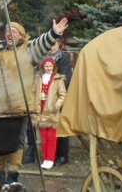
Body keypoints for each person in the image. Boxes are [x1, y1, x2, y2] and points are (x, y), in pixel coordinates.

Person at [0, 18, 68, 191]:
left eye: (14, 31)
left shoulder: (28, 50)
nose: (9, 34)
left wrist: (54, 33)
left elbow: (42, 42)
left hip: (20, 104)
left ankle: (13, 175)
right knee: (0, 141)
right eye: (7, 31)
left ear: (21, 36)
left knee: (18, 141)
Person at [31, 58, 67, 170]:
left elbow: (63, 95)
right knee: (43, 137)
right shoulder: (38, 78)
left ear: (53, 67)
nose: (48, 68)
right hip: (40, 110)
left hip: (52, 111)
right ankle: (45, 158)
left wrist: (56, 106)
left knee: (52, 137)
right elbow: (33, 92)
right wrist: (33, 105)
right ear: (43, 67)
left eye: (50, 66)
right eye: (46, 66)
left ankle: (50, 159)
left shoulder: (58, 79)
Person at [48, 38, 72, 166]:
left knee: (60, 126)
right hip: (46, 97)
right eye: (50, 44)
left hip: (60, 96)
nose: (52, 47)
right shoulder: (44, 59)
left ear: (59, 44)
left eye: (54, 44)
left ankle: (63, 155)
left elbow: (66, 78)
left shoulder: (64, 58)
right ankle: (52, 154)